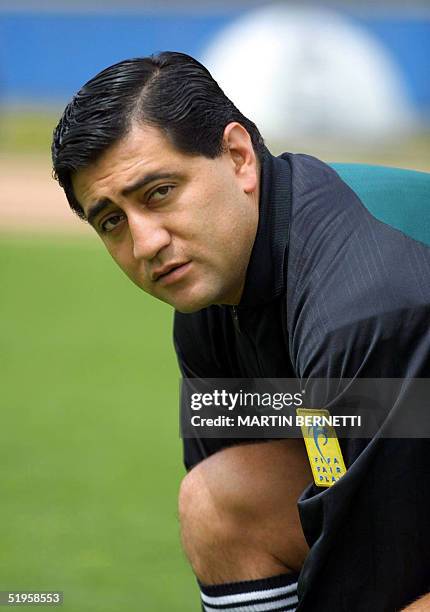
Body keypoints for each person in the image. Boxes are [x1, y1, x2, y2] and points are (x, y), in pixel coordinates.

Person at [51, 51, 430, 611]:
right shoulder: (209, 302)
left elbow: (374, 575)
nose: (145, 242)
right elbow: (236, 499)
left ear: (238, 156)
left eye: (159, 192)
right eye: (112, 220)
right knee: (220, 500)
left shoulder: (358, 309)